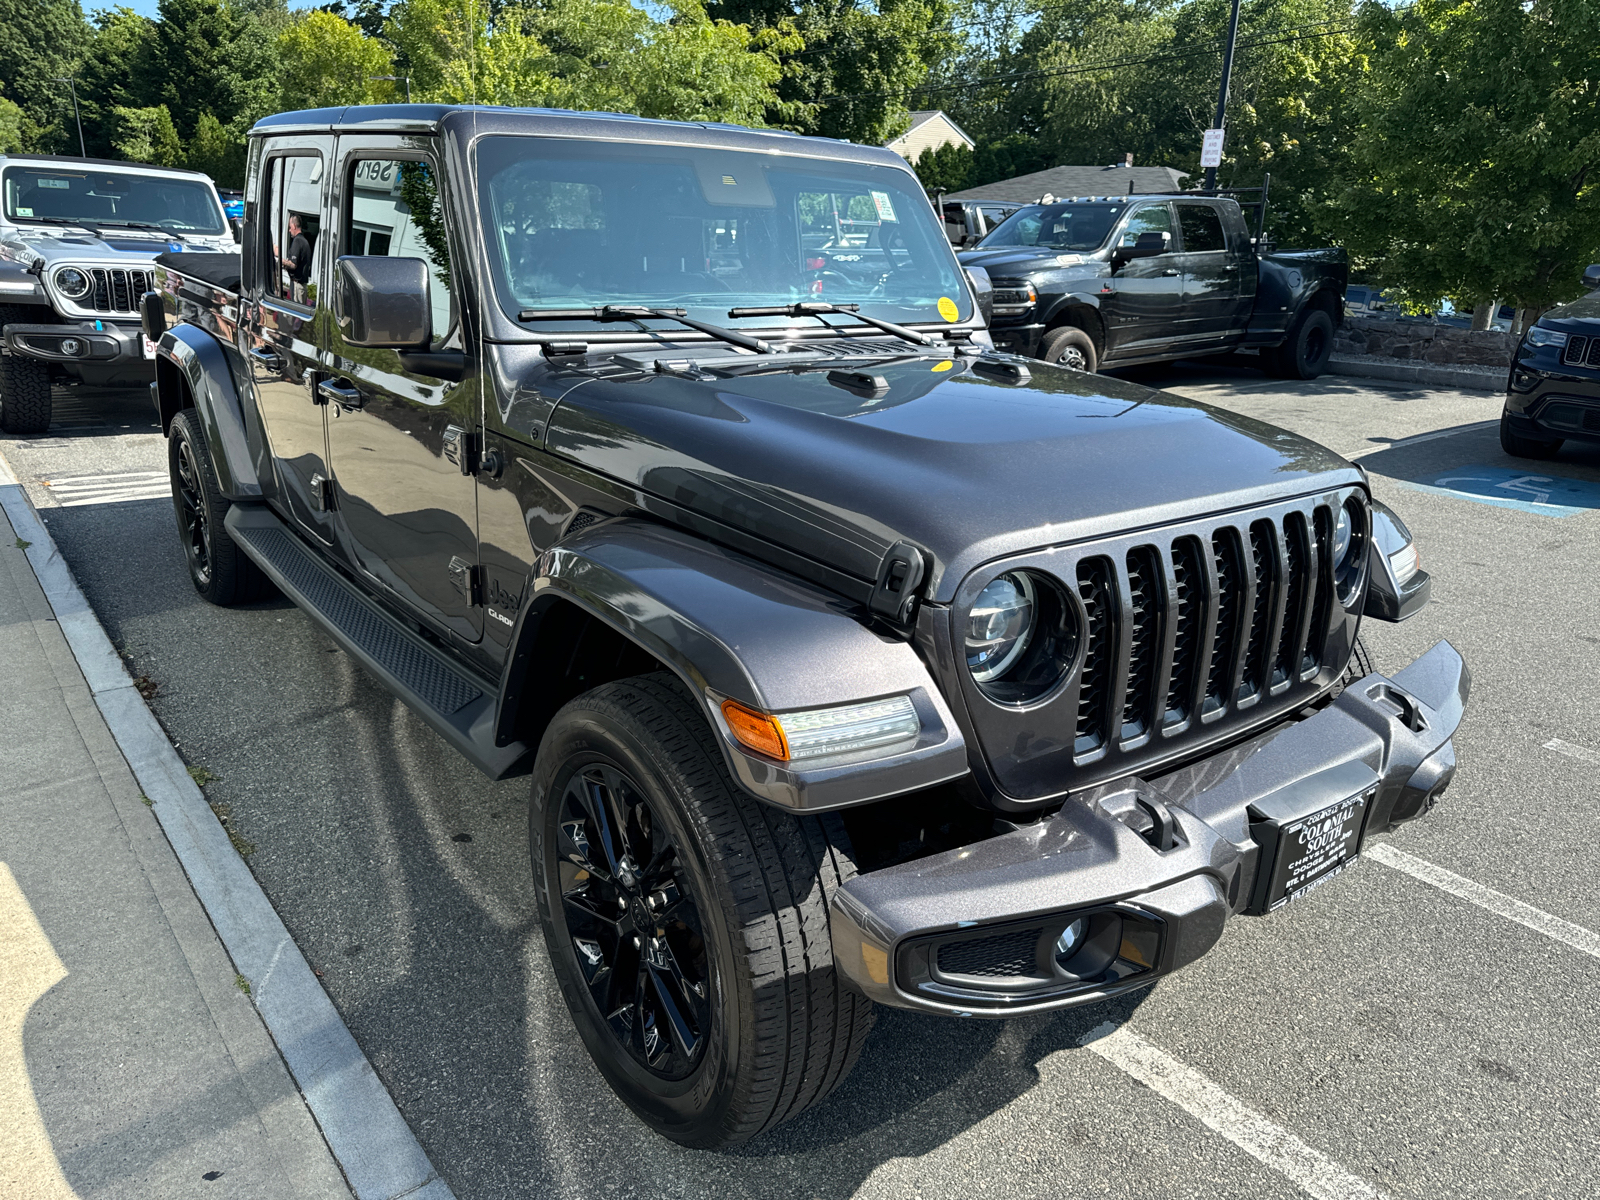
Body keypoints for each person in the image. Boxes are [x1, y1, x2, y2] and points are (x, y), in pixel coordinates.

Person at [279, 214, 313, 302]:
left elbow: (293, 265)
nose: (289, 230)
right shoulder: (305, 242)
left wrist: (280, 261)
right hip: (302, 286)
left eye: (290, 227)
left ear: (294, 226)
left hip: (297, 286)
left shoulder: (297, 241)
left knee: (296, 313)